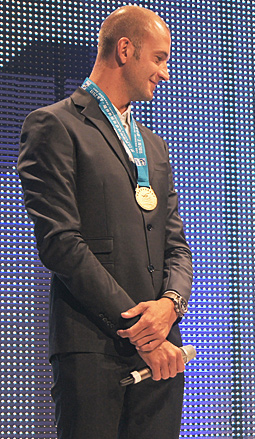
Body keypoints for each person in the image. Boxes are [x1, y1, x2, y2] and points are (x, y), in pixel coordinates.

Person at [17, 6, 193, 439]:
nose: (165, 73)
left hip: (163, 353)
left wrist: (171, 304)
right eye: (159, 58)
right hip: (94, 351)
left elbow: (176, 244)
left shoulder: (153, 145)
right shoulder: (54, 125)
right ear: (125, 49)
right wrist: (142, 332)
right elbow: (61, 243)